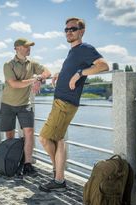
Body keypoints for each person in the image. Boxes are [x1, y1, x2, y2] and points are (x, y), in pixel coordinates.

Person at [38, 17, 109, 191]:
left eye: (73, 29)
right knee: (58, 140)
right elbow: (71, 69)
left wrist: (80, 73)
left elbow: (104, 66)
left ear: (82, 31)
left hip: (66, 103)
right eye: (67, 29)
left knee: (45, 138)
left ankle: (59, 177)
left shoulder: (86, 48)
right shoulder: (73, 51)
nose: (69, 32)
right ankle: (59, 176)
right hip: (60, 101)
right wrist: (59, 73)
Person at [0, 38, 51, 176]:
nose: (29, 48)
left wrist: (39, 78)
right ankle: (12, 162)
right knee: (9, 135)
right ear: (17, 48)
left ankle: (27, 164)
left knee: (28, 132)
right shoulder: (8, 64)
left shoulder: (32, 63)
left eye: (30, 46)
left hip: (25, 104)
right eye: (26, 46)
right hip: (8, 104)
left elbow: (47, 72)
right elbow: (14, 84)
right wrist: (34, 80)